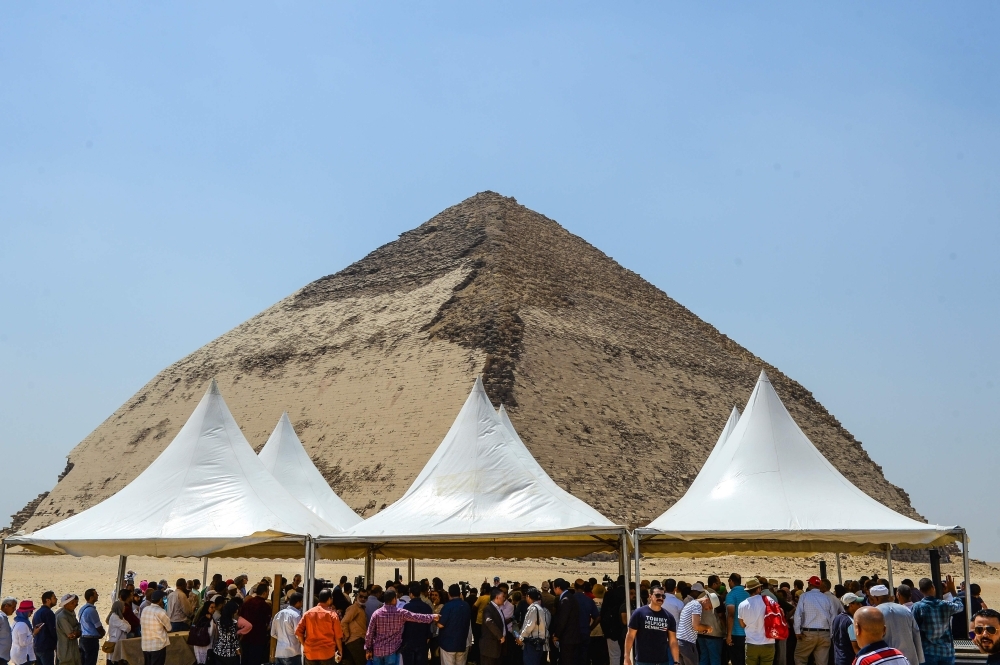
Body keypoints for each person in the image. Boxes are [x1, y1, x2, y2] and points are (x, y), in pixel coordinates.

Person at [364, 588, 439, 665]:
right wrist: (433, 617)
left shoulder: (376, 614)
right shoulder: (400, 613)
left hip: (378, 651)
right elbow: (417, 617)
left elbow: (369, 633)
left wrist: (368, 649)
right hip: (392, 652)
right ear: (393, 599)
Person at [911, 577, 964, 665]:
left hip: (927, 651)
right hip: (946, 651)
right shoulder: (945, 605)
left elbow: (914, 629)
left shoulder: (917, 607)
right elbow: (960, 606)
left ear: (920, 590)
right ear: (933, 587)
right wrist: (952, 590)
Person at [623, 582, 679, 665]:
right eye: (657, 595)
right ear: (650, 596)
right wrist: (626, 657)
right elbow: (630, 636)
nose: (660, 598)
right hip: (643, 661)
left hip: (663, 661)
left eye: (663, 596)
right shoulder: (639, 613)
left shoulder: (669, 617)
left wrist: (676, 662)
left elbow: (673, 641)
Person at [867, 586, 922, 665]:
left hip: (886, 659)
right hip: (908, 659)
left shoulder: (874, 613)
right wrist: (919, 659)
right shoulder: (905, 609)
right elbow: (916, 633)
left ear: (876, 598)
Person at [793, 576, 838, 665]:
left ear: (810, 584)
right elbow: (833, 616)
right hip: (825, 634)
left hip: (808, 633)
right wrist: (831, 633)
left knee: (800, 658)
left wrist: (797, 631)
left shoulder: (804, 596)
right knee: (822, 662)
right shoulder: (827, 598)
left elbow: (798, 614)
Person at [296, 589, 344, 665]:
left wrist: (305, 645)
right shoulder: (332, 615)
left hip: (310, 653)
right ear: (329, 599)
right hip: (327, 653)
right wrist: (340, 650)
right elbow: (338, 636)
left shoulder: (308, 613)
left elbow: (298, 633)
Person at [738, 579, 775, 665]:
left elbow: (742, 625)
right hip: (768, 642)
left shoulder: (742, 605)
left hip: (751, 643)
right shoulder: (768, 600)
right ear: (758, 589)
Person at [437, 584, 472, 665]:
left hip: (448, 645)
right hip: (462, 643)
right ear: (460, 594)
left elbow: (440, 625)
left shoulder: (447, 606)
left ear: (449, 594)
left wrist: (435, 621)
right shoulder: (466, 606)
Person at [402, 583, 434, 665]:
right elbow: (430, 625)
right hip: (422, 641)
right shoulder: (427, 607)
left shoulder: (406, 608)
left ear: (411, 594)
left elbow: (403, 625)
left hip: (408, 641)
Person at [552, 579, 583, 665]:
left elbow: (563, 620)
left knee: (567, 661)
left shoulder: (565, 600)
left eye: (554, 587)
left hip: (568, 638)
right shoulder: (571, 597)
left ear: (558, 587)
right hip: (573, 637)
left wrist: (557, 635)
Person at [240, 584, 273, 665]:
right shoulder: (265, 606)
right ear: (265, 593)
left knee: (245, 659)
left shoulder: (247, 602)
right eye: (268, 592)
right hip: (258, 639)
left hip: (245, 637)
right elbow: (268, 622)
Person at [516, 588, 550, 665]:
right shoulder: (540, 608)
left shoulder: (533, 609)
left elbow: (529, 626)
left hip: (532, 644)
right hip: (538, 643)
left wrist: (520, 638)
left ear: (528, 596)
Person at [140, 590, 172, 665]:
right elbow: (169, 628)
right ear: (160, 600)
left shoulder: (145, 609)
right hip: (158, 646)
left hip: (146, 645)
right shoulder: (161, 612)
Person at [271, 592, 304, 665]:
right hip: (292, 653)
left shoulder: (278, 614)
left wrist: (283, 638)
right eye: (302, 602)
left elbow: (273, 633)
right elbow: (298, 634)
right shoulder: (296, 615)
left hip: (279, 652)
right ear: (298, 602)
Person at [832, 594, 864, 665]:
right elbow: (856, 648)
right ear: (851, 605)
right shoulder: (851, 622)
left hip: (838, 659)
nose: (861, 605)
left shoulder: (837, 618)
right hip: (849, 661)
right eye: (858, 604)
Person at [601, 578, 626, 665]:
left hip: (612, 629)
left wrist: (605, 631)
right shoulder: (628, 594)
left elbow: (603, 613)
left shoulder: (609, 594)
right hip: (626, 629)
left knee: (614, 656)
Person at [728, 575, 751, 665]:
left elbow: (731, 615)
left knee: (737, 660)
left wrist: (729, 635)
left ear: (732, 581)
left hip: (736, 633)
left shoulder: (731, 594)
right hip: (748, 632)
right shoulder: (748, 593)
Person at [481, 588, 507, 665]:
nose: (504, 598)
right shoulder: (488, 609)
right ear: (497, 597)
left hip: (498, 648)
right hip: (490, 648)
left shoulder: (498, 609)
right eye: (502, 596)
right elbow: (489, 622)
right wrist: (500, 636)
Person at [343, 590, 370, 665]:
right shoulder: (354, 608)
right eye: (361, 596)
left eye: (365, 597)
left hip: (358, 640)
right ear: (357, 596)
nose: (363, 599)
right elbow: (344, 621)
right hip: (355, 641)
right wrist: (347, 634)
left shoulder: (361, 608)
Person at [55, 594, 82, 665]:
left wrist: (77, 631)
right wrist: (77, 631)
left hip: (74, 651)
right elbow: (71, 635)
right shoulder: (62, 617)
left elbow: (79, 626)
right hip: (66, 652)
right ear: (66, 605)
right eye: (72, 603)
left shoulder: (71, 614)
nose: (75, 604)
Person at [32, 592, 57, 665]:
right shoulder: (48, 613)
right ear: (48, 600)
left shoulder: (37, 613)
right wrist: (56, 643)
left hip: (37, 646)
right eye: (54, 598)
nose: (56, 599)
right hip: (46, 647)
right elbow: (53, 630)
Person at [215, 600, 243, 665]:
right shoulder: (233, 623)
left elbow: (218, 635)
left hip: (219, 650)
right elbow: (233, 638)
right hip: (230, 652)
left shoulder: (219, 621)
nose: (237, 611)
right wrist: (238, 649)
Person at [10, 600, 36, 665]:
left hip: (17, 654)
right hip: (22, 656)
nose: (32, 613)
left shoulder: (17, 621)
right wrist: (34, 634)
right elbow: (23, 643)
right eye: (31, 611)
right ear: (26, 612)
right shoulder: (22, 625)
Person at [1, 597, 14, 665]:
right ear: (6, 606)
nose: (14, 610)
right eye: (13, 607)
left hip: (3, 657)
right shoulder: (0, 618)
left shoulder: (4, 618)